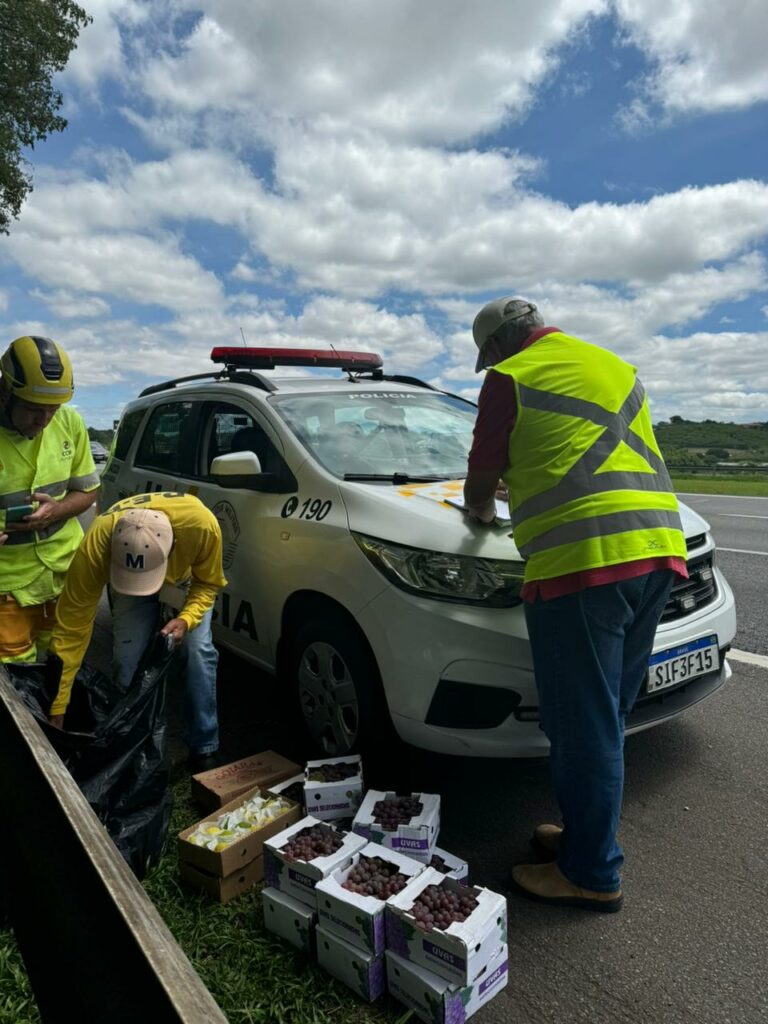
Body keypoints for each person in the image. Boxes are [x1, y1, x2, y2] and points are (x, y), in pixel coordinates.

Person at [464, 297, 688, 913]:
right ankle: (584, 840)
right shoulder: (613, 364)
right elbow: (592, 452)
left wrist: (480, 509)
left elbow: (481, 477)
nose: (489, 369)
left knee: (580, 725)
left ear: (499, 348)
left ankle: (590, 872)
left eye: (487, 360)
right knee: (605, 717)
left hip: (584, 564)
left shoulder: (512, 377)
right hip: (659, 550)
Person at [47, 492, 227, 772]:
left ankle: (204, 745)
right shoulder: (97, 543)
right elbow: (72, 625)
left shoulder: (202, 527)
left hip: (184, 580)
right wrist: (58, 707)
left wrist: (187, 619)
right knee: (126, 660)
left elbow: (208, 583)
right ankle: (131, 743)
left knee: (198, 653)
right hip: (129, 586)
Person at [0, 335, 100, 664]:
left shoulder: (69, 422)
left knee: (62, 667)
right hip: (8, 584)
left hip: (64, 572)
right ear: (7, 392)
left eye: (51, 410)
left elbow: (87, 491)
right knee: (15, 681)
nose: (43, 421)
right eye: (32, 409)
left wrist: (57, 510)